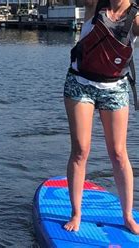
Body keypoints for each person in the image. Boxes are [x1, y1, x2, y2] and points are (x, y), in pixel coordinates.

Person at [63, 0, 139, 234]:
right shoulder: (93, 5)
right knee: (81, 150)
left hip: (115, 88)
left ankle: (127, 215)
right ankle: (76, 212)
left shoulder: (135, 18)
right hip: (81, 83)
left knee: (118, 152)